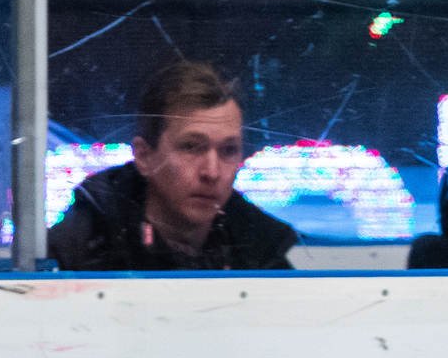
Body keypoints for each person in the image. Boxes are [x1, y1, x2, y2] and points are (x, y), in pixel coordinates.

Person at [49, 60, 297, 272]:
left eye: (228, 150)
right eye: (191, 147)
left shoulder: (260, 251)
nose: (212, 172)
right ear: (145, 157)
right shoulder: (79, 251)